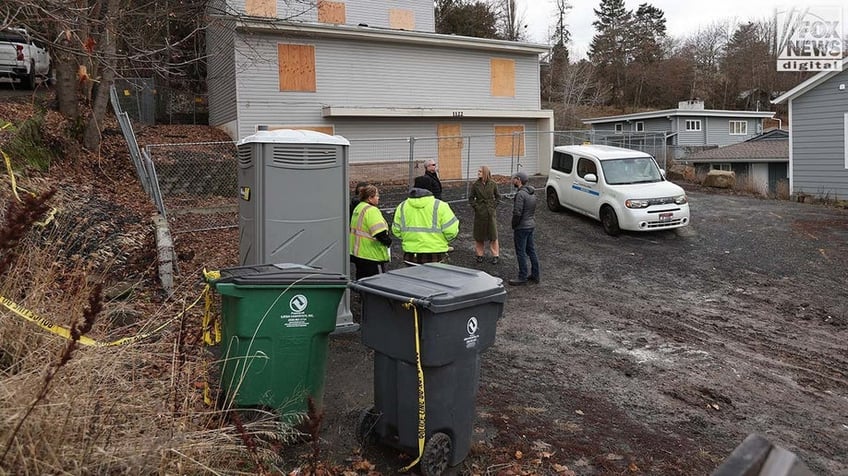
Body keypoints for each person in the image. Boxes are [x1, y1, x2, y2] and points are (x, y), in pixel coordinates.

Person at [392, 176, 458, 265]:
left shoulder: (402, 206)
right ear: (430, 189)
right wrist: (443, 241)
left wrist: (410, 238)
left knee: (411, 278)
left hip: (411, 255)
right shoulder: (440, 206)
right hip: (435, 254)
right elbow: (451, 231)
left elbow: (396, 230)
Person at [349, 185, 391, 280]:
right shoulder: (371, 211)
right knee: (376, 282)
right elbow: (380, 233)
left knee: (362, 281)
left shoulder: (358, 208)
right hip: (371, 255)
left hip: (358, 253)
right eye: (376, 195)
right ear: (370, 198)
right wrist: (388, 241)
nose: (378, 198)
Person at [509, 171, 539, 286]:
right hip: (530, 225)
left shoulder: (520, 194)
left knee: (521, 252)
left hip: (522, 227)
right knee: (531, 250)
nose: (513, 181)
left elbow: (517, 212)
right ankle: (535, 275)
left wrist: (514, 224)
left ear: (519, 180)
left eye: (514, 179)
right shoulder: (531, 193)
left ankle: (522, 277)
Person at [469, 165, 500, 264]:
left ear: (485, 172)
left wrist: (493, 206)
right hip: (480, 213)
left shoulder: (493, 184)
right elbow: (471, 198)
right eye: (478, 171)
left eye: (480, 171)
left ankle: (495, 255)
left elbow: (498, 197)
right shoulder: (475, 185)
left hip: (490, 212)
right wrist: (477, 207)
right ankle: (479, 255)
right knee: (479, 235)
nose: (478, 173)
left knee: (493, 235)